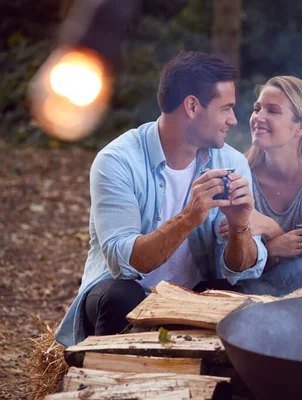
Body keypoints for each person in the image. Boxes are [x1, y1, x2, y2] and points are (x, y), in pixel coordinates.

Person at [54, 52, 267, 347]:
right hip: (126, 296)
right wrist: (189, 217)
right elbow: (123, 264)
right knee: (120, 295)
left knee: (241, 294)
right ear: (192, 106)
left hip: (193, 297)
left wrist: (241, 228)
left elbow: (238, 270)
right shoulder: (118, 160)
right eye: (226, 109)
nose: (233, 119)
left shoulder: (230, 161)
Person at [219, 76, 302, 296]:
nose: (258, 117)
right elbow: (239, 261)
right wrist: (272, 248)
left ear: (301, 127)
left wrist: (269, 229)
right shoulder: (242, 175)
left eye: (272, 111)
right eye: (257, 109)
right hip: (262, 279)